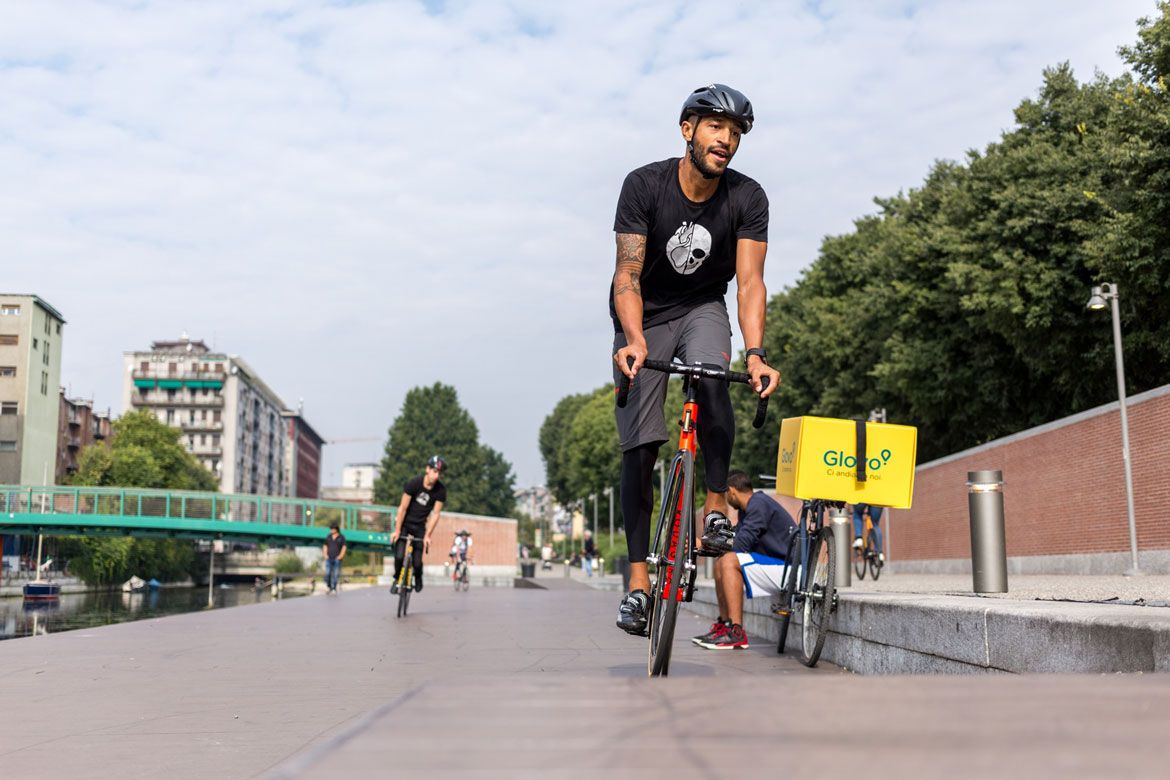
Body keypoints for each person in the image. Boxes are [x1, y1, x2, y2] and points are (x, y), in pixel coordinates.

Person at [611, 83, 781, 635]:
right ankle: (638, 585)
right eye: (715, 126)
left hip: (703, 308)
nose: (725, 139)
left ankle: (712, 510)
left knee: (712, 377)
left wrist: (755, 353)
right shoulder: (644, 185)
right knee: (640, 444)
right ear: (688, 130)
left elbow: (750, 282)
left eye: (735, 132)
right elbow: (627, 276)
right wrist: (633, 339)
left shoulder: (748, 199)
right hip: (645, 313)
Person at [693, 471, 797, 649]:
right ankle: (726, 625)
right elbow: (737, 537)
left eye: (726, 494)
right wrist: (708, 545)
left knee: (729, 560)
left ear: (732, 491)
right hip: (778, 565)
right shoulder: (749, 508)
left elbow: (740, 546)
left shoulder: (758, 505)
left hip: (792, 570)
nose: (726, 499)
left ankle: (736, 632)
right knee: (722, 561)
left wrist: (703, 543)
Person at [390, 455, 447, 595]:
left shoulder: (440, 491)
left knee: (416, 562)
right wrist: (397, 530)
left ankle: (418, 577)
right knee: (398, 556)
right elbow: (402, 508)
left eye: (439, 473)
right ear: (427, 469)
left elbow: (436, 514)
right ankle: (397, 578)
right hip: (405, 524)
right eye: (434, 471)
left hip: (420, 527)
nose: (436, 475)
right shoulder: (414, 483)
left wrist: (428, 535)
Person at [322, 522, 347, 594]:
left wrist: (340, 556)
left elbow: (344, 547)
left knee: (336, 574)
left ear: (336, 529)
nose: (331, 530)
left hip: (337, 559)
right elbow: (325, 546)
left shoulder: (341, 537)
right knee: (327, 573)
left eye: (332, 529)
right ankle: (329, 586)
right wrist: (325, 555)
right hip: (328, 558)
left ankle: (334, 588)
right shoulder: (329, 536)